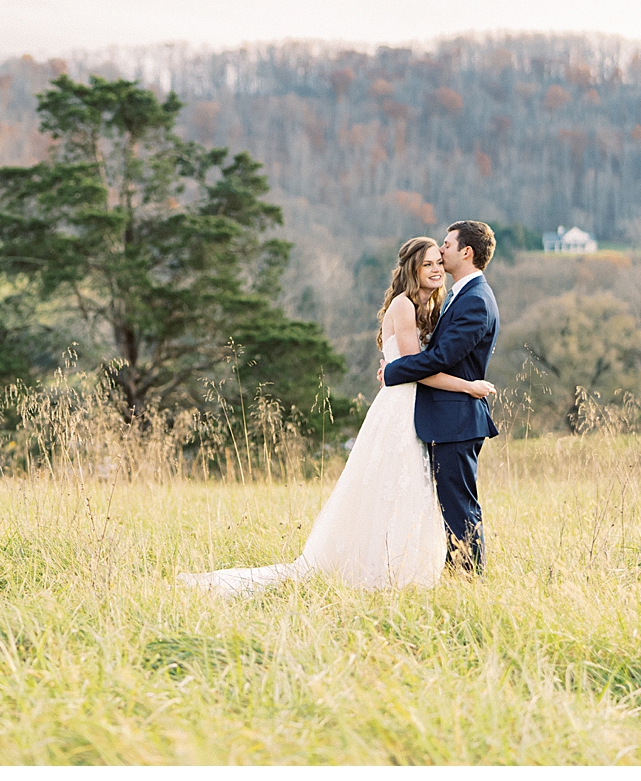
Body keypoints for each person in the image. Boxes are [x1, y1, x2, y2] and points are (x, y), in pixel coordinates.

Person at [178, 235, 496, 595]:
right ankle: (382, 570)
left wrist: (398, 370)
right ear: (413, 269)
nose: (437, 268)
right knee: (392, 490)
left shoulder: (436, 306)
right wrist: (466, 387)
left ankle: (415, 570)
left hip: (420, 408)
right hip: (403, 408)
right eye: (428, 264)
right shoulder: (406, 307)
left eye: (440, 261)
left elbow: (419, 362)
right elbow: (416, 368)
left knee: (414, 493)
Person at [380, 220, 500, 572]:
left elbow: (441, 358)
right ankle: (453, 574)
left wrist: (392, 371)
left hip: (457, 419)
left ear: (466, 252)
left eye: (446, 246)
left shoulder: (475, 300)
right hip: (446, 418)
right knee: (450, 504)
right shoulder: (457, 295)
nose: (441, 251)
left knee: (459, 506)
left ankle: (468, 579)